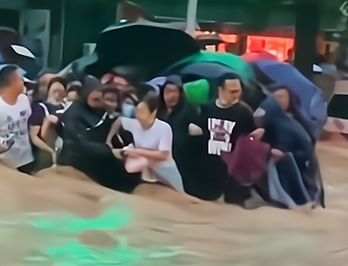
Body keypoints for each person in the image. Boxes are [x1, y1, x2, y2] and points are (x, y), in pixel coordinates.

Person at [184, 74, 263, 203]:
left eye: (238, 91)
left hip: (231, 172)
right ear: (220, 90)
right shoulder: (206, 109)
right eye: (232, 91)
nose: (236, 95)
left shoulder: (244, 113)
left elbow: (249, 140)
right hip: (207, 168)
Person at [57, 76, 139, 193]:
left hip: (100, 159)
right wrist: (110, 151)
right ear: (86, 93)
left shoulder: (100, 110)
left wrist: (126, 147)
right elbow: (80, 143)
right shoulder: (73, 114)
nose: (99, 101)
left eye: (100, 97)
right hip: (78, 161)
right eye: (95, 99)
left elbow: (109, 131)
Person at [254, 86, 325, 208]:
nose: (279, 100)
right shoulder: (268, 120)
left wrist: (287, 155)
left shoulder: (300, 123)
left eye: (282, 97)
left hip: (303, 168)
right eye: (275, 97)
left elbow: (309, 151)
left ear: (290, 99)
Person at [107, 92, 184, 192]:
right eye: (138, 110)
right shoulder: (134, 124)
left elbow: (163, 155)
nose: (138, 114)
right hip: (145, 169)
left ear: (152, 112)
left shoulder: (164, 128)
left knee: (179, 195)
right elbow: (119, 121)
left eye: (142, 111)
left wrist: (136, 152)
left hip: (165, 170)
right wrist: (109, 140)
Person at [0, 65, 43, 174]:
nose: (23, 81)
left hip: (27, 159)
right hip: (6, 163)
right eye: (19, 78)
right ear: (11, 82)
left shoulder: (24, 100)